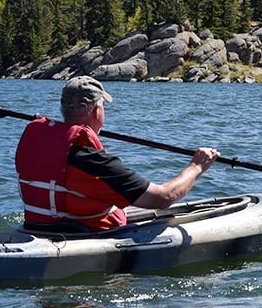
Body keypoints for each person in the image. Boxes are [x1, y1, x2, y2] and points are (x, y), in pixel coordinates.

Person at [15, 76, 220, 232]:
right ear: (96, 111)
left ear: (63, 109)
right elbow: (163, 197)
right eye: (103, 107)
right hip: (84, 234)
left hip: (39, 228)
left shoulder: (37, 147)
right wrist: (197, 166)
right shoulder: (93, 160)